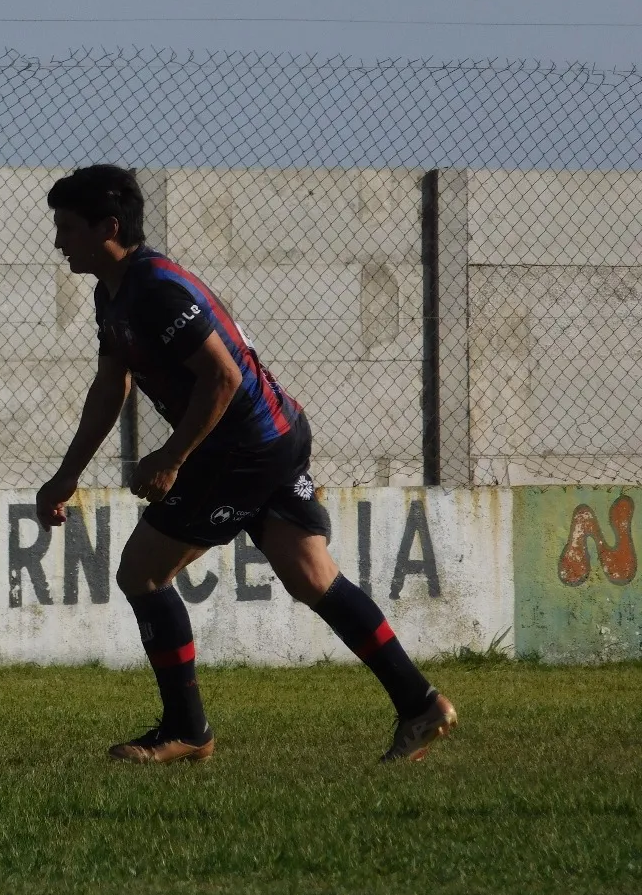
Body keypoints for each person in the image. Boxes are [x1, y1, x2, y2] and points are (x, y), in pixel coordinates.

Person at [36, 164, 457, 764]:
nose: (59, 243)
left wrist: (171, 458)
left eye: (68, 229)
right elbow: (111, 386)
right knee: (311, 575)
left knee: (142, 572)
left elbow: (223, 376)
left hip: (243, 448)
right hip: (273, 436)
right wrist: (67, 473)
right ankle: (419, 702)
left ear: (108, 226)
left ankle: (187, 730)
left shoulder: (155, 288)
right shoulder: (114, 293)